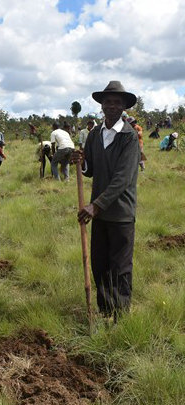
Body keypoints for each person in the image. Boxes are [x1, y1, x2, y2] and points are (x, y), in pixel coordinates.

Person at [71, 81, 140, 324]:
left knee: (119, 268)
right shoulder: (94, 135)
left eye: (117, 103)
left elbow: (122, 179)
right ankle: (104, 310)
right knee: (100, 265)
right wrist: (81, 161)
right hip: (98, 214)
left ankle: (120, 317)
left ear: (123, 107)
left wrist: (95, 205)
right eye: (108, 102)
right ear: (101, 105)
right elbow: (91, 171)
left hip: (120, 214)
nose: (112, 106)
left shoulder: (129, 138)